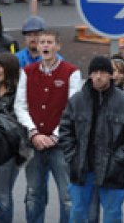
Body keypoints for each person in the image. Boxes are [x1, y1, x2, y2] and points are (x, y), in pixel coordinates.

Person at [59, 56, 124, 222]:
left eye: (103, 72)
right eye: (94, 72)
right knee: (78, 214)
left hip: (112, 171)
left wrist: (118, 159)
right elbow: (65, 131)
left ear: (111, 75)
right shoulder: (76, 101)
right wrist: (73, 157)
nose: (98, 76)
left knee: (112, 215)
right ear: (89, 75)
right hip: (82, 169)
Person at [13, 30, 81, 223]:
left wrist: (54, 136)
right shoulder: (27, 72)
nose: (45, 46)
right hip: (35, 144)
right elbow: (20, 105)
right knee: (33, 195)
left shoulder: (72, 72)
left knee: (67, 197)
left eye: (49, 42)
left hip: (60, 145)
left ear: (58, 46)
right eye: (42, 42)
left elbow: (72, 108)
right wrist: (34, 133)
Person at [0, 52, 22, 223]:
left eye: (0, 66)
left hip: (9, 151)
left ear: (9, 69)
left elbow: (18, 125)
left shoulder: (19, 93)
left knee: (3, 193)